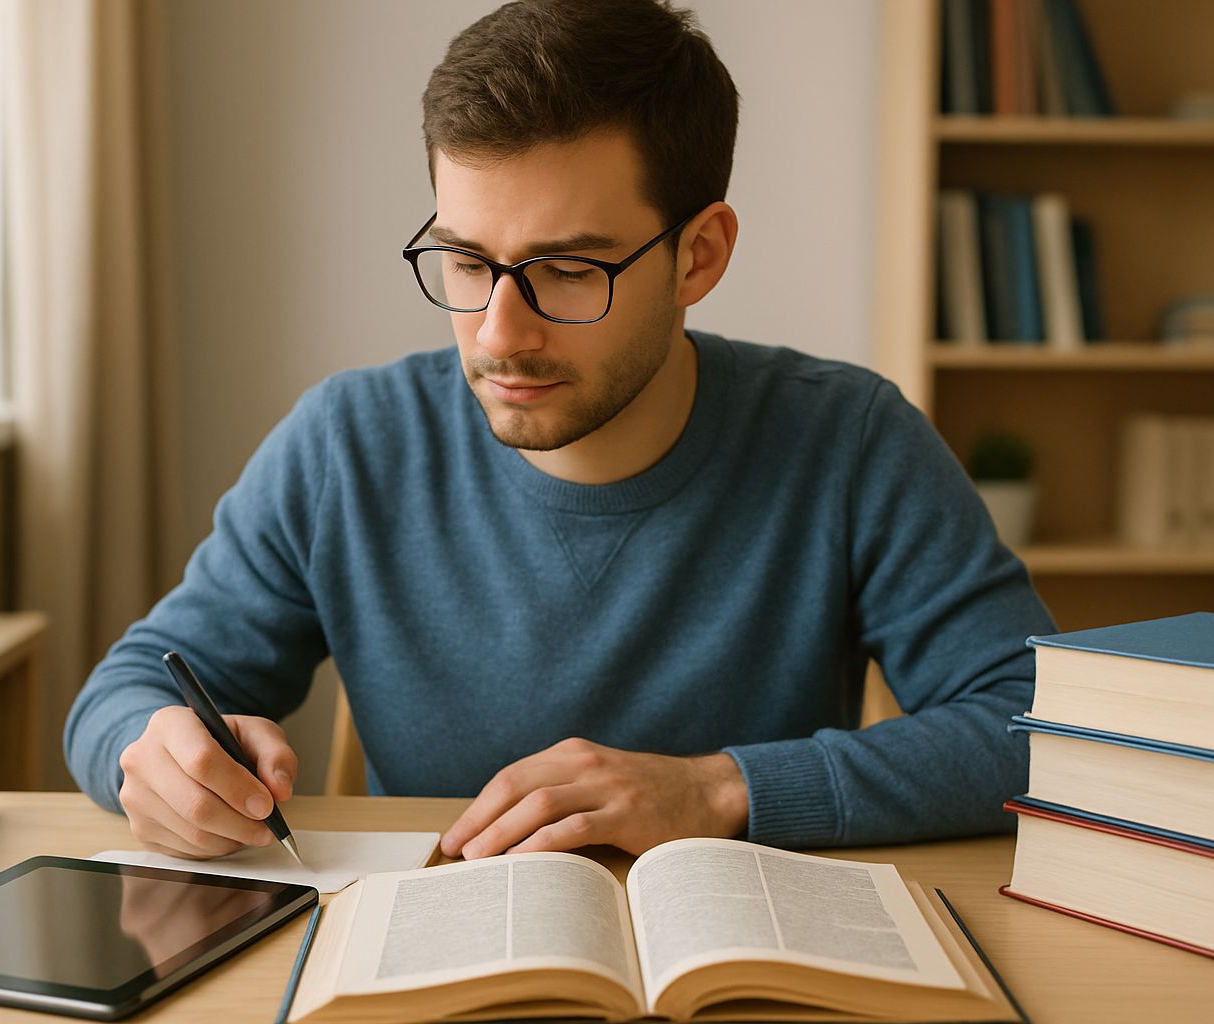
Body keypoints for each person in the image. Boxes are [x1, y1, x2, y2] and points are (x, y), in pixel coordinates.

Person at [65, 0, 1054, 863]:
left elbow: (1038, 727)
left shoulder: (849, 440)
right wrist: (151, 753)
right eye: (466, 261)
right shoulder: (348, 446)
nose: (500, 333)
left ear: (699, 255)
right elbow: (128, 692)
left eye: (569, 270)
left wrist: (719, 789)